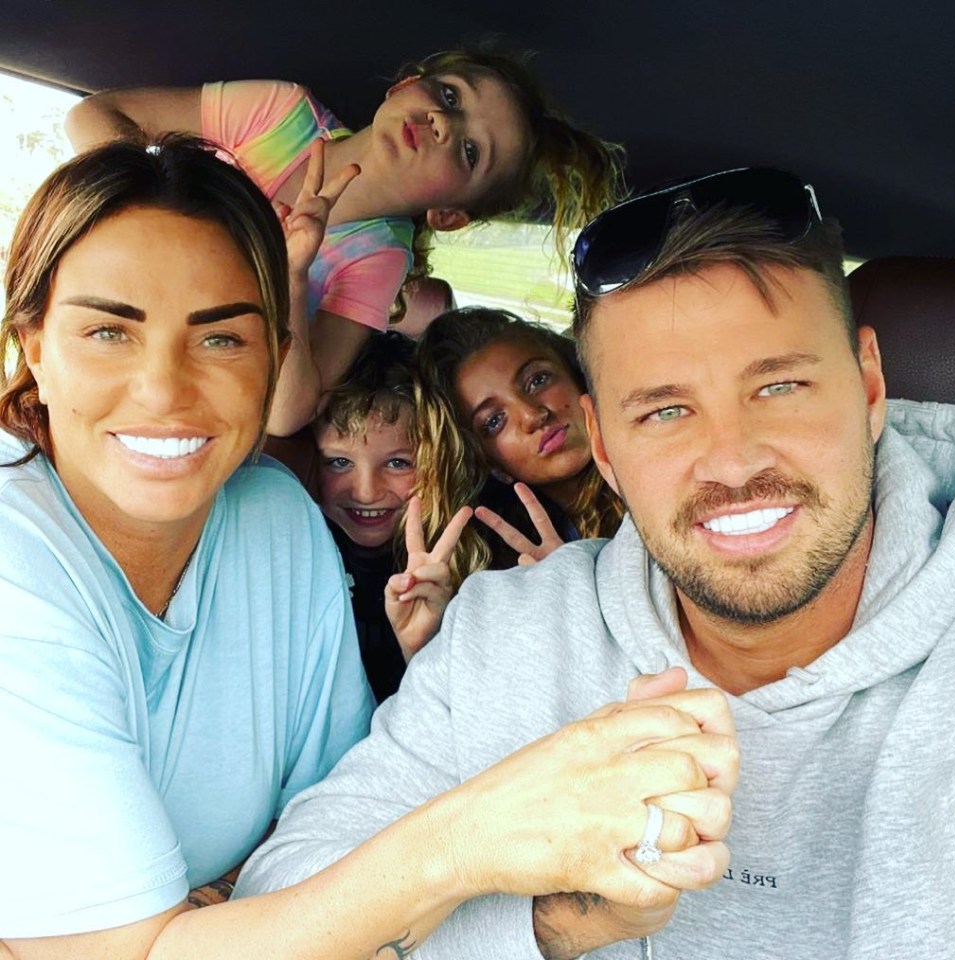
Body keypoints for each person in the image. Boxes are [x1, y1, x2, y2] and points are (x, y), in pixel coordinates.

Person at [0, 137, 736, 960]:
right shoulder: (15, 554)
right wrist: (474, 836)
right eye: (109, 332)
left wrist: (216, 916)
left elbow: (334, 832)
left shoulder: (275, 520)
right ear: (32, 342)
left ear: (279, 356)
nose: (165, 389)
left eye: (221, 339)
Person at [233, 167, 955, 959]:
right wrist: (523, 886)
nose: (732, 461)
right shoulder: (508, 630)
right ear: (606, 446)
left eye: (779, 386)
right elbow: (277, 907)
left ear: (869, 387)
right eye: (666, 410)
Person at [64, 49, 623, 435]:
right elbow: (94, 114)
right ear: (408, 86)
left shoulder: (378, 258)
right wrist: (175, 218)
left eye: (470, 151)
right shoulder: (279, 114)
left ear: (449, 214)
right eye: (450, 97)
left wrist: (287, 274)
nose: (443, 125)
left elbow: (286, 414)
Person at [264, 331, 471, 702]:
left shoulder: (467, 560)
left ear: (438, 461)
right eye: (339, 462)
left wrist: (424, 648)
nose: (366, 491)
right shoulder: (295, 558)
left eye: (397, 463)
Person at [416, 306, 623, 568]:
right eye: (494, 421)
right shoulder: (510, 563)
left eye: (538, 380)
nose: (532, 415)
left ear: (576, 373)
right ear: (492, 466)